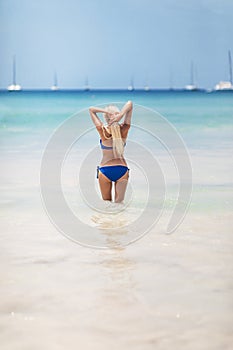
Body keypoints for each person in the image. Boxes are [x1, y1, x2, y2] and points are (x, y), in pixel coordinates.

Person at [89, 101, 133, 203]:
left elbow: (91, 109)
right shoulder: (124, 129)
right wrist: (121, 115)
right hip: (122, 170)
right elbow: (130, 104)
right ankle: (120, 219)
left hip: (105, 170)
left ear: (106, 118)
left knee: (106, 204)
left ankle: (106, 219)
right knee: (119, 204)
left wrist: (106, 111)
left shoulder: (102, 131)